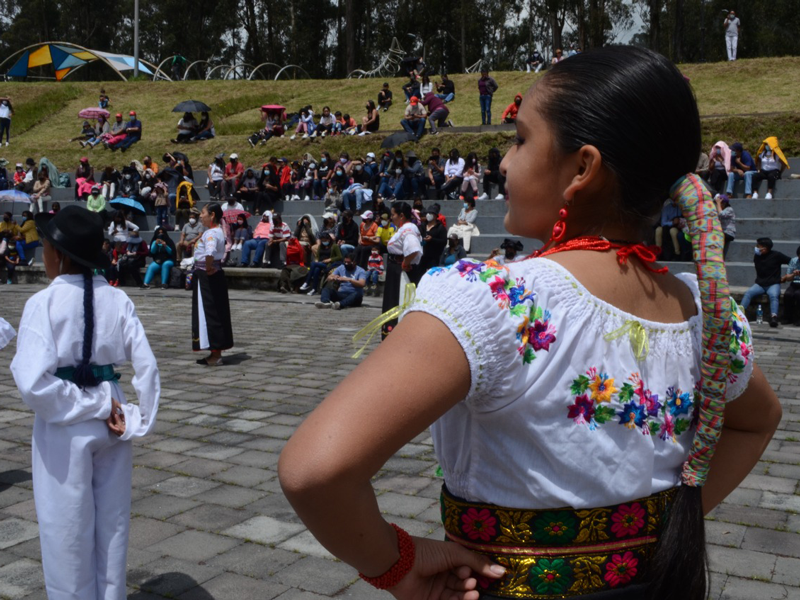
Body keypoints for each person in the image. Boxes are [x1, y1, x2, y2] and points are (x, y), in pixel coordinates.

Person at [278, 45, 782, 600]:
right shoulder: (704, 309)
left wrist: (397, 565)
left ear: (582, 168)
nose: (504, 162)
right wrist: (666, 526)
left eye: (521, 140)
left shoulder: (496, 302)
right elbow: (757, 421)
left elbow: (316, 471)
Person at [11, 205, 159, 600]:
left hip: (65, 424)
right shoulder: (117, 298)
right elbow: (147, 365)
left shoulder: (42, 304)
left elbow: (33, 384)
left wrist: (91, 406)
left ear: (57, 255)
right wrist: (136, 418)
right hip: (113, 417)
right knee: (112, 524)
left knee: (66, 530)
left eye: (43, 247)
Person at [193, 203, 233, 365]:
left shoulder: (211, 233)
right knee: (215, 311)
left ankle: (215, 355)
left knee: (209, 313)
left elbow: (209, 252)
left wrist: (208, 267)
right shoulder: (217, 232)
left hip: (208, 276)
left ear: (212, 216)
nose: (200, 216)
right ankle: (215, 352)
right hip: (212, 275)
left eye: (203, 213)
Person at [378, 201, 422, 338]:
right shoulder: (404, 229)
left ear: (401, 215)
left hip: (401, 272)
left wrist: (405, 262)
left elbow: (414, 249)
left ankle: (396, 334)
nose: (391, 218)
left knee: (398, 302)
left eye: (393, 215)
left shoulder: (408, 229)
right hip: (396, 270)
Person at [741, 237, 791, 328]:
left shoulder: (777, 255)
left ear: (765, 248)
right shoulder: (757, 256)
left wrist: (787, 276)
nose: (756, 248)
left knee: (774, 296)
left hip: (773, 284)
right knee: (748, 293)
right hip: (760, 284)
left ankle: (774, 317)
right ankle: (739, 313)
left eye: (758, 246)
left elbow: (791, 262)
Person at [418, 205, 447, 274]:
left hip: (434, 257)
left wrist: (432, 240)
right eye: (427, 213)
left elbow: (444, 241)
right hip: (422, 256)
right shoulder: (423, 225)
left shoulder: (440, 227)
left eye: (430, 213)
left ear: (435, 216)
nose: (428, 215)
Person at [781, 246, 800, 326]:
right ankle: (787, 317)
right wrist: (793, 274)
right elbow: (787, 277)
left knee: (798, 295)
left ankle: (798, 318)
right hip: (795, 283)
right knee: (788, 294)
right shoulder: (794, 261)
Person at [715, 195, 736, 259]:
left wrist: (718, 203)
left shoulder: (729, 209)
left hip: (728, 233)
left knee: (719, 236)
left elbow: (722, 214)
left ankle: (719, 256)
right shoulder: (719, 210)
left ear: (724, 203)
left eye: (719, 203)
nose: (717, 205)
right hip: (721, 232)